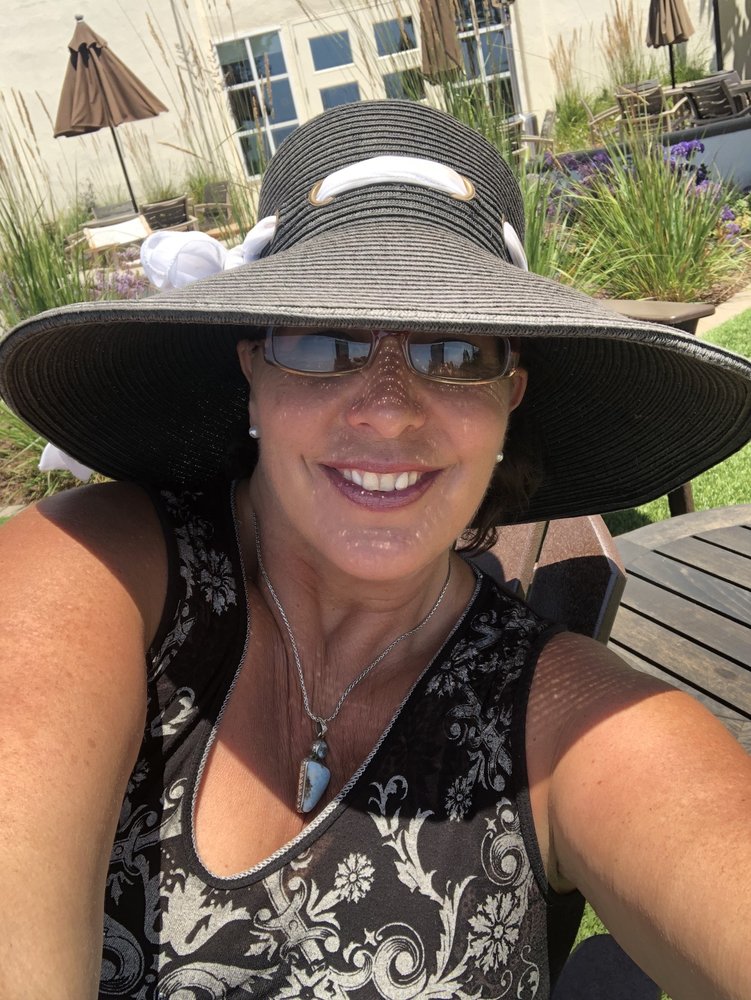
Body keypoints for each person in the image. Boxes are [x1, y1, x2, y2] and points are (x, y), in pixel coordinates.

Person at [0, 100, 750, 1000]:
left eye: (453, 351)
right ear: (251, 371)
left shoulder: (560, 716)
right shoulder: (94, 571)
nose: (388, 412)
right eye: (325, 342)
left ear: (510, 397)